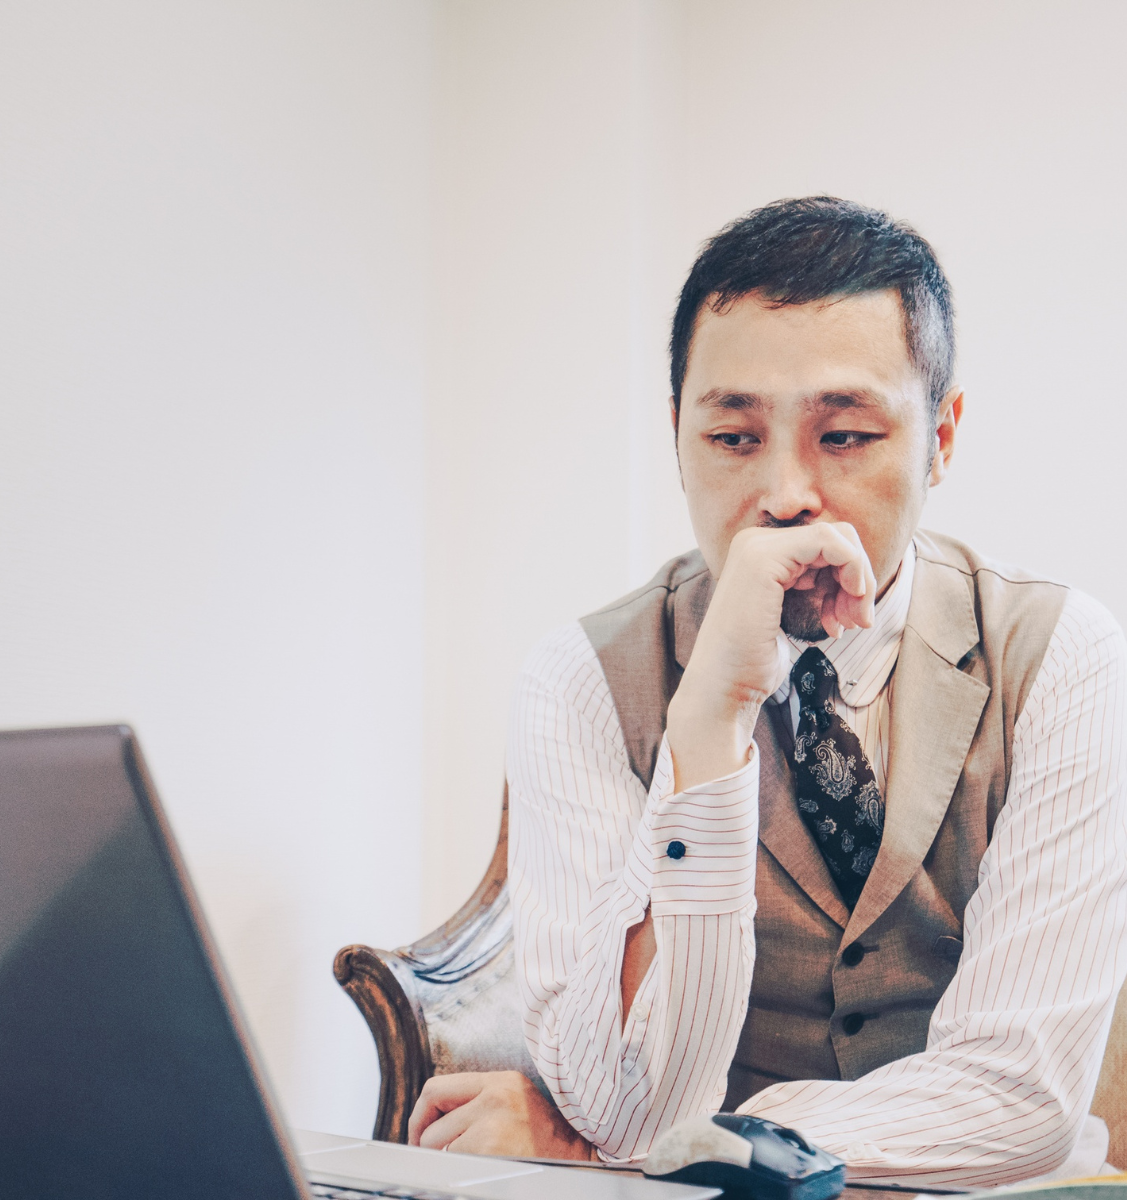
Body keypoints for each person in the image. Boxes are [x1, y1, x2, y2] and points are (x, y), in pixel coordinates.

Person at [407, 197, 1127, 1187]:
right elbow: (625, 1101)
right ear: (677, 437)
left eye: (846, 436)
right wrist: (707, 723)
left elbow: (1020, 1105)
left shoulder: (1063, 658)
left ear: (943, 437)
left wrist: (707, 1140)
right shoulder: (578, 681)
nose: (784, 494)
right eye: (734, 439)